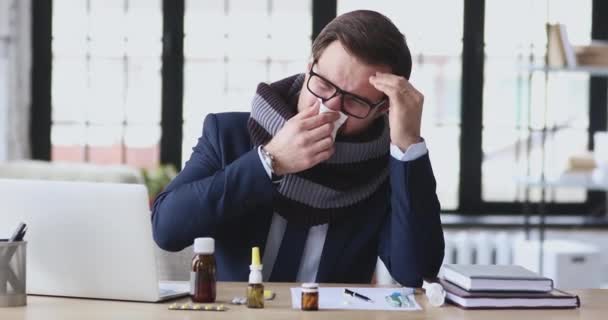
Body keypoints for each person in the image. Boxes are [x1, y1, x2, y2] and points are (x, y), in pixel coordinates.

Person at [152, 10, 444, 287]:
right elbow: (167, 229)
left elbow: (417, 271)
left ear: (383, 109)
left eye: (354, 101)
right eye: (324, 85)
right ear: (308, 69)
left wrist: (407, 144)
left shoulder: (387, 167)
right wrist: (270, 161)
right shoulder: (228, 135)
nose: (329, 109)